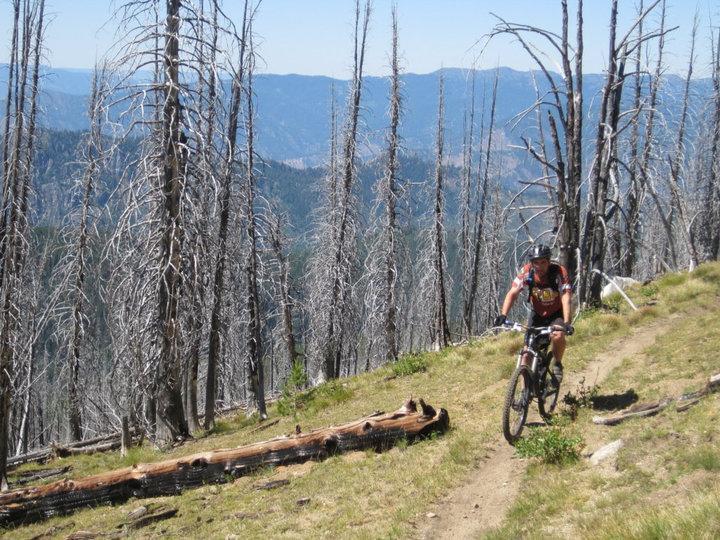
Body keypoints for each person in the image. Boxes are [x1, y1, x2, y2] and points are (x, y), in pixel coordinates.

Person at [494, 244, 573, 382]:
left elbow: (566, 297)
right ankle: (525, 393)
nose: (539, 266)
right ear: (532, 263)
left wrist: (566, 322)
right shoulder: (527, 272)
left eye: (543, 262)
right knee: (526, 353)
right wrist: (503, 315)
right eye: (536, 262)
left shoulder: (558, 272)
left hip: (556, 313)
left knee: (558, 335)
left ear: (548, 261)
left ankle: (558, 364)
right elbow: (513, 292)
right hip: (537, 313)